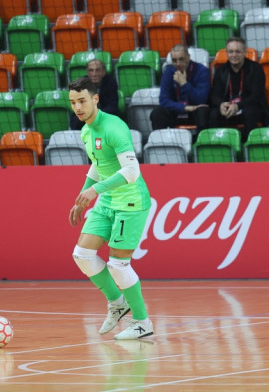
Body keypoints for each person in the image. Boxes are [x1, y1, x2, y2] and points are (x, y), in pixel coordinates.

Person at [68, 75, 154, 340]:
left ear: (95, 99)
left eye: (82, 100)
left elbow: (131, 171)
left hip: (130, 201)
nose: (78, 107)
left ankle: (142, 322)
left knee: (118, 264)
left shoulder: (113, 127)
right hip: (107, 201)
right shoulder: (86, 130)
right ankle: (117, 303)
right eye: (73, 102)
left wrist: (96, 190)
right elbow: (99, 163)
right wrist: (83, 194)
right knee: (82, 255)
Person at [208, 36, 269, 140]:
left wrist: (238, 106)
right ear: (227, 53)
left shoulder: (256, 69)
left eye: (238, 52)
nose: (234, 55)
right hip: (229, 110)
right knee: (213, 114)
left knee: (249, 112)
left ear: (244, 52)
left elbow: (257, 95)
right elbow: (214, 95)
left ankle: (250, 145)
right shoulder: (220, 71)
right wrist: (221, 105)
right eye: (231, 52)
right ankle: (218, 145)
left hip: (250, 107)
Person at [150, 44, 210, 131]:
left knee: (203, 111)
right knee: (157, 113)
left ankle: (200, 142)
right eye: (174, 60)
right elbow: (163, 100)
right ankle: (162, 142)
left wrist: (184, 84)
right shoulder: (168, 72)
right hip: (176, 111)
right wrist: (184, 107)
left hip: (195, 112)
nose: (178, 64)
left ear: (188, 57)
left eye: (181, 59)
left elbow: (201, 100)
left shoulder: (202, 70)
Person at [69, 58, 119, 130]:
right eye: (91, 70)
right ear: (87, 72)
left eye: (97, 70)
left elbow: (112, 107)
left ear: (103, 72)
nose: (94, 74)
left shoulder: (110, 82)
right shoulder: (81, 84)